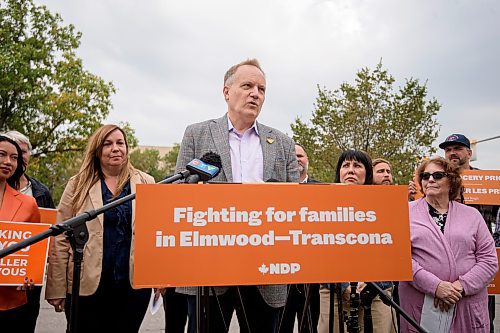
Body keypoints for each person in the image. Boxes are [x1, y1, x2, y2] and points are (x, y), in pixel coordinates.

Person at [175, 58, 299, 332]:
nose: (256, 93)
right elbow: (179, 198)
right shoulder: (197, 134)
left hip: (266, 271)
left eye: (262, 89)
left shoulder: (282, 143)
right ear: (226, 91)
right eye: (247, 85)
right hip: (210, 269)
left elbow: (295, 207)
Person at [45, 124, 155, 332]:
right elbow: (60, 237)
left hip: (132, 287)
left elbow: (155, 233)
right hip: (86, 285)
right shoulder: (78, 184)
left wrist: (159, 277)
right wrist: (56, 288)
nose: (116, 148)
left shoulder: (146, 182)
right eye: (108, 144)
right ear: (97, 150)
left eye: (120, 143)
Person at [408, 133, 498, 331]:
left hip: (466, 303)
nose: (430, 179)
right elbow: (400, 258)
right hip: (422, 303)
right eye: (425, 176)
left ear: (451, 181)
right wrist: (436, 287)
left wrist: (460, 286)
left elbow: (489, 260)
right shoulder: (405, 213)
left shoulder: (472, 216)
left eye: (437, 175)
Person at [318, 150, 396, 333]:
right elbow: (318, 252)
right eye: (346, 166)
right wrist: (345, 286)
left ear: (368, 173)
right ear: (339, 173)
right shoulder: (321, 205)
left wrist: (370, 283)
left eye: (357, 166)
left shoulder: (385, 206)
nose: (351, 171)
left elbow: (391, 251)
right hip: (334, 292)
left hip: (378, 291)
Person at [5, 130, 56, 331]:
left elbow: (49, 238)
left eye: (20, 153)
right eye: (6, 153)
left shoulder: (40, 193)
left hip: (27, 284)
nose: (11, 159)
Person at [0, 135, 41, 332]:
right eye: (2, 155)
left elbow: (34, 251)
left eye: (14, 157)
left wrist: (29, 276)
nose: (8, 162)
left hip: (12, 302)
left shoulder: (28, 204)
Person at [280, 143, 320, 333]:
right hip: (281, 278)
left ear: (307, 161)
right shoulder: (273, 190)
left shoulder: (322, 192)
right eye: (292, 155)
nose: (297, 159)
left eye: (301, 156)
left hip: (312, 277)